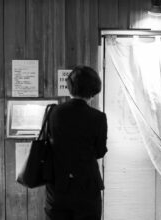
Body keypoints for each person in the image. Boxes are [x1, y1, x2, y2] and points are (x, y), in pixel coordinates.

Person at [45, 65, 108, 220]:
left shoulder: (53, 112)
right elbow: (100, 152)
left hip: (58, 185)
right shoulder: (98, 117)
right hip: (87, 186)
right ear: (93, 90)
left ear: (70, 87)